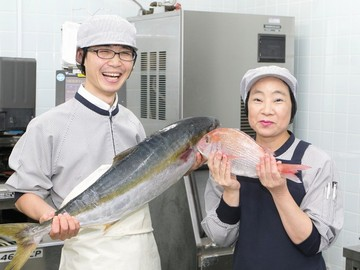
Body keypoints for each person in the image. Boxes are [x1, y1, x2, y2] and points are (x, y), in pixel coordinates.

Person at [5, 15, 162, 269]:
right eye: (104, 51)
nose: (115, 63)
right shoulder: (49, 126)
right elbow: (24, 194)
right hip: (87, 259)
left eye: (125, 53)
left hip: (141, 256)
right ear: (81, 56)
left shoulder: (133, 124)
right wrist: (50, 218)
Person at [201, 65, 343, 270]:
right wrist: (231, 192)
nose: (266, 110)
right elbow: (220, 238)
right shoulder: (228, 157)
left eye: (278, 100)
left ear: (292, 108)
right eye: (257, 99)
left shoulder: (317, 162)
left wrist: (280, 191)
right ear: (247, 106)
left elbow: (313, 244)